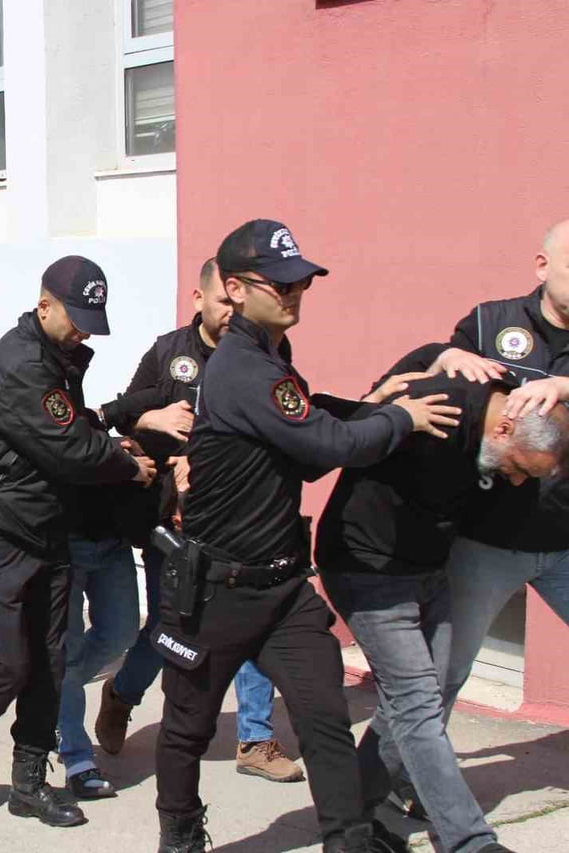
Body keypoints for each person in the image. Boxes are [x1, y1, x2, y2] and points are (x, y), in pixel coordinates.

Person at [150, 220, 458, 853]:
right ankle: (180, 833)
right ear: (234, 289)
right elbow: (327, 446)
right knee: (187, 727)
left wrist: (370, 403)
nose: (295, 294)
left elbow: (307, 425)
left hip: (283, 587)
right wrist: (400, 417)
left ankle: (348, 840)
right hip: (216, 593)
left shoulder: (269, 355)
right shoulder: (241, 367)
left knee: (324, 721)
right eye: (281, 283)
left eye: (302, 283)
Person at [316, 350, 567, 853]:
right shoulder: (435, 409)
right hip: (371, 571)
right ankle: (471, 842)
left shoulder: (508, 394)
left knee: (407, 706)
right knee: (418, 706)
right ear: (501, 432)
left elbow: (451, 356)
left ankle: (351, 819)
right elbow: (337, 432)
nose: (516, 482)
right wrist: (395, 398)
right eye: (518, 469)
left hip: (428, 571)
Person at [0, 257, 154, 828]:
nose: (84, 330)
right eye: (76, 317)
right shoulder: (23, 362)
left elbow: (74, 430)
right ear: (44, 306)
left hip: (48, 528)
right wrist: (128, 467)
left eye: (92, 318)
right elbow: (72, 449)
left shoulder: (58, 358)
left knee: (50, 665)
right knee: (6, 664)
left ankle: (29, 783)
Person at [94, 258, 305, 784]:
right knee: (170, 629)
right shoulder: (168, 353)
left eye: (239, 303)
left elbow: (283, 420)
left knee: (255, 620)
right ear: (198, 299)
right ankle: (122, 693)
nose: (233, 313)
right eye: (223, 303)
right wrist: (151, 418)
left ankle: (255, 737)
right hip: (174, 523)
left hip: (245, 522)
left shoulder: (269, 352)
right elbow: (119, 414)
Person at [417, 221, 569, 735]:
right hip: (486, 541)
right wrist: (446, 355)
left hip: (566, 543)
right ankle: (402, 780)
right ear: (543, 266)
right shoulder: (490, 323)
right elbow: (447, 396)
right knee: (443, 672)